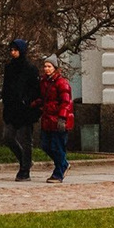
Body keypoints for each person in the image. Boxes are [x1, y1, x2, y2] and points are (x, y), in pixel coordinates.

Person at [1, 39, 42, 181]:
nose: (13, 53)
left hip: (25, 110)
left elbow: (36, 90)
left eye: (15, 50)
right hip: (11, 109)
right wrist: (6, 103)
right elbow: (6, 88)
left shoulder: (30, 69)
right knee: (8, 137)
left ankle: (25, 170)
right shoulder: (9, 68)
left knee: (26, 140)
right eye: (11, 50)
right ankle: (25, 161)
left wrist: (27, 101)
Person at [37, 55, 74, 183]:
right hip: (48, 118)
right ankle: (63, 164)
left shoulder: (62, 83)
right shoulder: (44, 82)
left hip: (58, 119)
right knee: (46, 145)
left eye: (49, 66)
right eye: (45, 66)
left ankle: (59, 173)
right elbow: (43, 98)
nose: (46, 69)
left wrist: (62, 118)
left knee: (57, 147)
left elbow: (66, 102)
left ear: (55, 68)